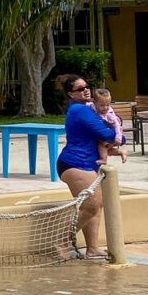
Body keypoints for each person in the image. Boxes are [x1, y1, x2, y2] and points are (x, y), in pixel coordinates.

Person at [57, 73, 119, 258]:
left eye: (87, 87)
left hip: (85, 163)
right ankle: (60, 242)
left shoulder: (88, 108)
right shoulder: (80, 110)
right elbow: (106, 133)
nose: (86, 91)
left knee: (95, 206)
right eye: (80, 89)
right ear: (70, 94)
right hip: (75, 163)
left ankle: (92, 248)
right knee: (92, 205)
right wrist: (119, 137)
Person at [92, 88, 127, 166]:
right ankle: (121, 152)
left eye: (108, 105)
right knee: (105, 149)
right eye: (102, 105)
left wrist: (118, 137)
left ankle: (104, 160)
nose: (105, 108)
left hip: (114, 134)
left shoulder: (109, 114)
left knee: (101, 145)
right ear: (94, 103)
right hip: (105, 134)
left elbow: (117, 125)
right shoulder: (93, 108)